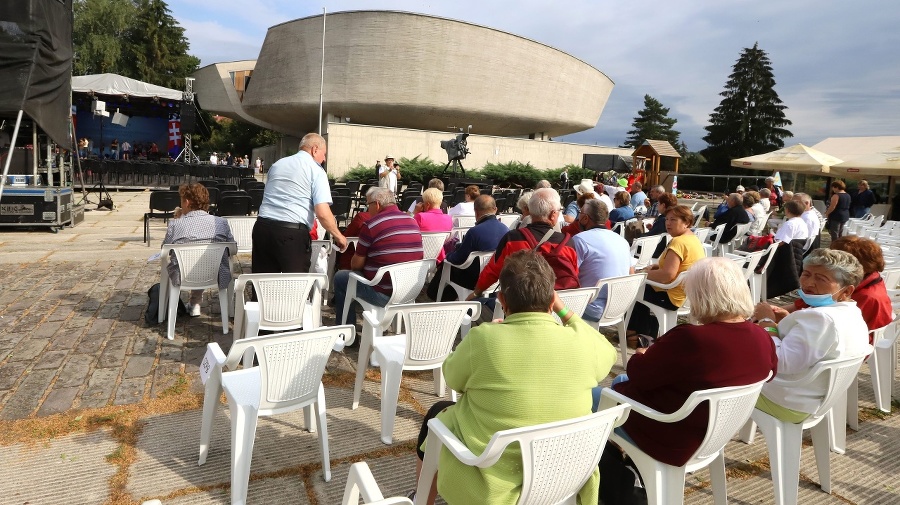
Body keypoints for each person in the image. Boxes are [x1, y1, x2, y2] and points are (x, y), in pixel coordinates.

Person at [412, 250, 617, 505]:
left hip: (491, 485)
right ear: (552, 300)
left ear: (502, 301)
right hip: (561, 476)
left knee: (437, 412)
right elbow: (607, 352)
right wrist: (565, 313)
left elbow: (452, 378)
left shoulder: (483, 339)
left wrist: (492, 334)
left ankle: (422, 497)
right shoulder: (582, 343)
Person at [596, 257, 777, 467]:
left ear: (701, 295)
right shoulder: (761, 336)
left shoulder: (692, 338)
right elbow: (771, 371)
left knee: (595, 395)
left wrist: (641, 354)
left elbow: (639, 373)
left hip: (673, 437)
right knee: (620, 380)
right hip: (714, 434)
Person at [753, 249, 870, 422]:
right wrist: (787, 321)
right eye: (806, 274)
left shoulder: (822, 318)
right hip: (814, 398)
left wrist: (766, 321)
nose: (809, 283)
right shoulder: (852, 313)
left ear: (846, 291)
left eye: (821, 279)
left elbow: (781, 362)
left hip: (787, 400)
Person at [468, 188, 577, 311]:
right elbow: (574, 275)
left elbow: (492, 271)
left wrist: (476, 293)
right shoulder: (567, 243)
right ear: (553, 215)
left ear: (530, 211)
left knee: (477, 305)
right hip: (556, 310)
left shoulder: (512, 238)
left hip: (518, 309)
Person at [252, 133, 346, 274]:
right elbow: (322, 212)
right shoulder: (316, 170)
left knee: (263, 285)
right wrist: (338, 236)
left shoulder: (277, 165)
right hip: (291, 234)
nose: (324, 158)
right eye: (324, 154)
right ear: (315, 149)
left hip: (263, 228)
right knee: (295, 288)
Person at [333, 187, 423, 327]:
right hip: (409, 290)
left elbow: (356, 265)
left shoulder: (371, 225)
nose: (367, 209)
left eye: (368, 204)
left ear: (377, 204)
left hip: (383, 293)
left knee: (341, 278)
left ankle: (345, 328)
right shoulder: (412, 221)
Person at [776, 236, 892, 336]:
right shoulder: (865, 280)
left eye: (835, 257)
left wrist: (769, 324)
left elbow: (823, 331)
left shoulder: (866, 296)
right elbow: (800, 305)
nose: (828, 258)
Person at [628, 205, 705, 342]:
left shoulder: (678, 242)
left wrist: (641, 274)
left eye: (673, 220)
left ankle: (634, 333)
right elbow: (681, 265)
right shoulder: (693, 238)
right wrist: (657, 266)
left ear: (686, 223)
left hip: (670, 295)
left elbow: (667, 275)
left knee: (633, 287)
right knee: (643, 288)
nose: (668, 223)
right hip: (685, 293)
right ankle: (642, 333)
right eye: (667, 219)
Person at [162, 183, 235, 317]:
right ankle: (195, 302)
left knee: (186, 259)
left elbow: (166, 250)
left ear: (187, 202)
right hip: (216, 274)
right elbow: (232, 249)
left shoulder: (175, 224)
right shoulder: (221, 222)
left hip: (183, 274)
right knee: (206, 259)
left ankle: (187, 304)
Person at [427, 195, 509, 301]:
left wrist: (448, 255)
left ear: (476, 211)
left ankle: (435, 295)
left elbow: (459, 259)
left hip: (473, 280)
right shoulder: (505, 229)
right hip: (495, 278)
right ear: (495, 209)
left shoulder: (475, 231)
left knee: (446, 266)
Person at [571, 199, 632, 321]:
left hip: (591, 307)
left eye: (580, 213)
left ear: (585, 218)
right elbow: (631, 272)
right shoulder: (621, 240)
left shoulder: (580, 240)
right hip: (620, 306)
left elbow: (569, 276)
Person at [336, 187, 376, 271]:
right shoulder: (399, 220)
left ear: (376, 204)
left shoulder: (362, 217)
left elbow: (346, 237)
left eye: (368, 203)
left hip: (355, 263)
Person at [414, 188, 452, 261]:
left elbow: (408, 232)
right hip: (438, 258)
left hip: (419, 257)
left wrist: (415, 212)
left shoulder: (420, 217)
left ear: (427, 204)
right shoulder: (448, 219)